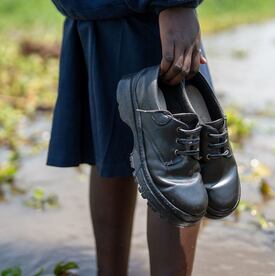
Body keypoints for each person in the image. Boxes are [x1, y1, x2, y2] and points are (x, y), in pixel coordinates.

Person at [46, 1, 210, 275]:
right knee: (175, 165)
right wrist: (175, 4)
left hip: (94, 13)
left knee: (112, 153)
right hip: (147, 15)